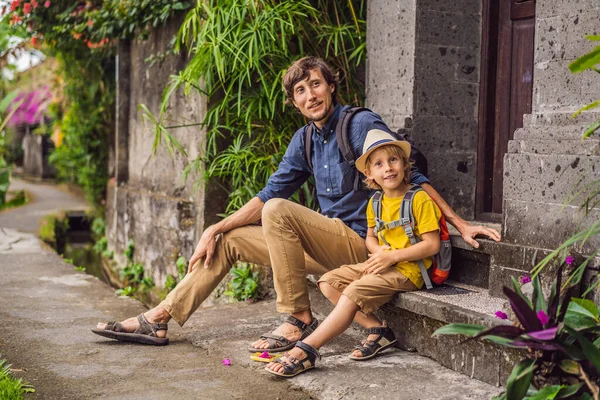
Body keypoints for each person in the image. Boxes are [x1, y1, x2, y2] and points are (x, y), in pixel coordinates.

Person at [92, 56, 500, 347]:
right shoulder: (304, 140)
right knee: (232, 240)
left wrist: (460, 224)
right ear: (294, 102)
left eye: (316, 84)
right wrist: (214, 227)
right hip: (330, 249)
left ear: (331, 85)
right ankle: (159, 318)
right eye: (301, 91)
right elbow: (268, 194)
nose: (310, 95)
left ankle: (297, 317)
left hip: (367, 245)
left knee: (278, 212)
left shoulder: (357, 124)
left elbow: (413, 178)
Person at [265, 130, 441, 377]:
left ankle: (309, 348)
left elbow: (432, 245)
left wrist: (391, 256)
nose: (388, 168)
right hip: (384, 264)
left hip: (410, 271)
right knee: (328, 281)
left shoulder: (418, 199)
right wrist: (380, 252)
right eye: (378, 164)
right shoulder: (375, 201)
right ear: (369, 174)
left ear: (404, 164)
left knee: (352, 292)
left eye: (393, 160)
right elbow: (370, 237)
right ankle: (378, 330)